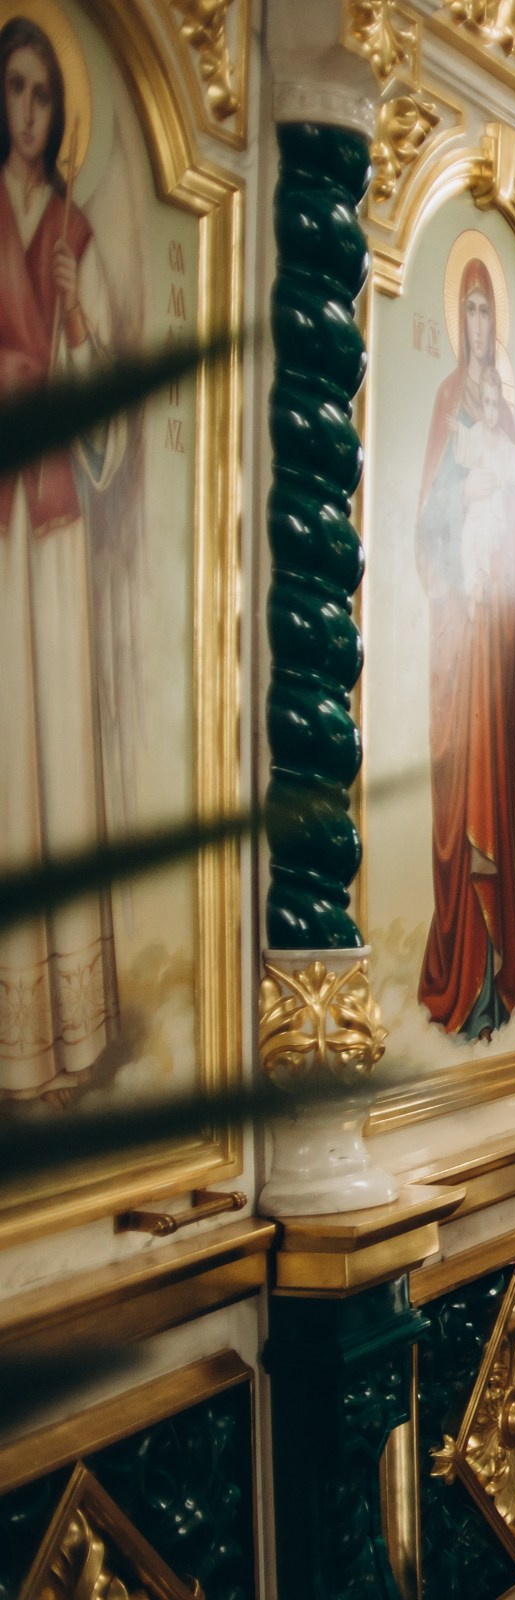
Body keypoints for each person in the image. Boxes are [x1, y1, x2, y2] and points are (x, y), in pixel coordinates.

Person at [0, 15, 122, 1097]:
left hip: (52, 528)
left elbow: (112, 422)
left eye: (44, 95)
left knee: (59, 758)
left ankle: (68, 1035)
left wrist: (77, 326)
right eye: (16, 91)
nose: (29, 113)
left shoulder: (73, 228)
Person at [416, 251, 515, 1039]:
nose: (480, 325)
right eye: (470, 312)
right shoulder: (446, 402)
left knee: (495, 785)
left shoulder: (509, 415)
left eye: (488, 311)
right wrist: (469, 493)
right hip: (458, 623)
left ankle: (496, 973)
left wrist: (504, 519)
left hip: (497, 624)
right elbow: (425, 520)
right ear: (458, 324)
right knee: (458, 781)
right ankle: (459, 967)